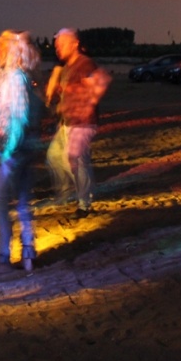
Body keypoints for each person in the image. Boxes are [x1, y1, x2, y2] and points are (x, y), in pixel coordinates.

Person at [0, 30, 41, 273]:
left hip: (12, 151)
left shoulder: (14, 78)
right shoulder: (7, 76)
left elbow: (17, 117)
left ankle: (3, 259)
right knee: (22, 200)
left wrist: (6, 151)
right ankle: (28, 253)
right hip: (17, 148)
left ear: (10, 50)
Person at [45, 28, 111, 219]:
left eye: (62, 44)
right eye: (56, 46)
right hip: (68, 121)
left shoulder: (85, 64)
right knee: (55, 156)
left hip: (83, 122)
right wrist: (59, 94)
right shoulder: (67, 67)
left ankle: (84, 203)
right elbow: (67, 91)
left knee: (75, 158)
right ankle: (77, 188)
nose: (58, 48)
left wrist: (83, 101)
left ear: (75, 44)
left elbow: (99, 84)